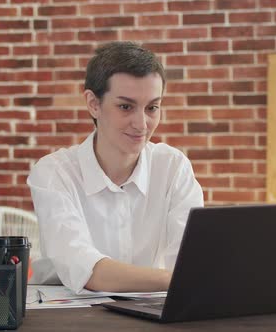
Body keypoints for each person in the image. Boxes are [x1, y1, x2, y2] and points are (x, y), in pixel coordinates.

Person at [27, 41, 203, 293]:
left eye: (152, 107)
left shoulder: (174, 168)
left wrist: (190, 278)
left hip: (150, 314)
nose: (142, 124)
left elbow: (191, 262)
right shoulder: (53, 174)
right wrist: (176, 280)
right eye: (125, 107)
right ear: (93, 103)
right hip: (66, 316)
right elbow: (87, 270)